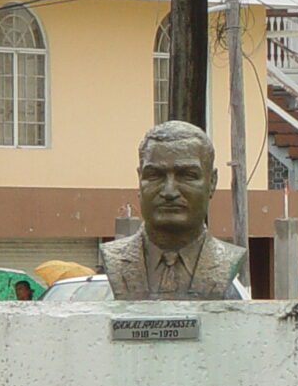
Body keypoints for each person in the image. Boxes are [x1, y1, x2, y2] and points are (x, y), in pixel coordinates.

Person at [102, 121, 248, 300]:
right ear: (140, 180)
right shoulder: (116, 260)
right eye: (155, 175)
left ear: (212, 182)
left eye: (187, 175)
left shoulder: (226, 260)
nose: (169, 191)